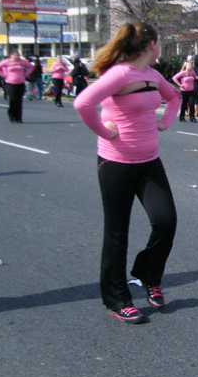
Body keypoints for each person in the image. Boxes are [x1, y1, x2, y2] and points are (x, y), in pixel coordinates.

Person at [73, 22, 182, 324]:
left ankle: (148, 275)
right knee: (117, 233)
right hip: (116, 163)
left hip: (149, 161)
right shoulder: (120, 74)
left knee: (166, 220)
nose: (160, 47)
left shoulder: (152, 75)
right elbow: (83, 103)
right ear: (150, 45)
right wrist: (104, 132)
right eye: (159, 43)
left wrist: (164, 122)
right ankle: (118, 299)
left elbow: (174, 98)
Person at [0, 50, 33, 123]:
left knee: (19, 101)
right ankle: (12, 116)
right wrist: (4, 75)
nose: (17, 56)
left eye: (18, 55)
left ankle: (18, 117)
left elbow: (31, 67)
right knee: (13, 100)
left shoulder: (22, 61)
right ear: (11, 55)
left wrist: (25, 74)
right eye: (15, 55)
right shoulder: (6, 61)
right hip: (10, 83)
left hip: (20, 83)